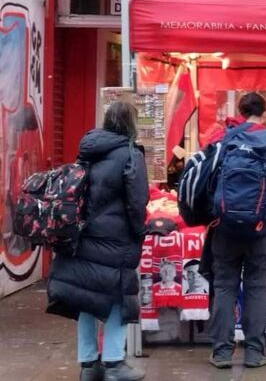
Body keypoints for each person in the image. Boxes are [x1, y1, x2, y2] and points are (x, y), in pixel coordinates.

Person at [46, 101, 150, 381]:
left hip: (83, 237)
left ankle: (89, 365)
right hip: (115, 240)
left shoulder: (88, 151)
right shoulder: (130, 154)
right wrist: (140, 230)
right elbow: (137, 202)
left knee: (86, 299)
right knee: (117, 297)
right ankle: (114, 363)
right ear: (130, 124)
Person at [206, 93, 266, 370]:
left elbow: (206, 178)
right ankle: (255, 353)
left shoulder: (222, 137)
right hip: (260, 228)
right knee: (257, 287)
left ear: (240, 111)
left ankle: (221, 353)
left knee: (224, 286)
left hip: (224, 226)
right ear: (264, 112)